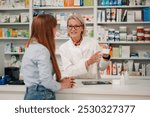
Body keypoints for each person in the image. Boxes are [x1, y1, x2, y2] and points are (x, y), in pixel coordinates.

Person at [21, 14, 75, 100]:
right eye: (54, 27)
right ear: (47, 30)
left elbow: (38, 77)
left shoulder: (30, 47)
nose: (56, 30)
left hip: (30, 94)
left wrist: (58, 82)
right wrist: (63, 85)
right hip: (42, 95)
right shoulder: (42, 50)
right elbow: (46, 81)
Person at [59, 14, 110, 79]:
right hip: (76, 84)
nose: (73, 29)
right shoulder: (63, 48)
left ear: (82, 28)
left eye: (76, 26)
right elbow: (69, 71)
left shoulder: (93, 43)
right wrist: (88, 62)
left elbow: (102, 68)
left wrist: (105, 57)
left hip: (93, 83)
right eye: (70, 26)